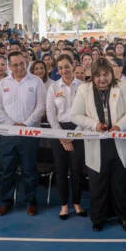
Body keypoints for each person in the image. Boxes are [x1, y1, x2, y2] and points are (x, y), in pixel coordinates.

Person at [72, 58, 126, 232]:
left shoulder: (122, 86)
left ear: (111, 74)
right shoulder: (83, 90)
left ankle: (124, 217)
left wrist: (119, 126)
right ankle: (98, 218)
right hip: (97, 143)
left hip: (119, 143)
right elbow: (75, 115)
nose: (102, 79)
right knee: (98, 185)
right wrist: (95, 125)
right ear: (92, 76)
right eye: (98, 75)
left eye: (106, 75)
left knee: (121, 184)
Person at [0, 52, 46, 216]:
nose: (19, 67)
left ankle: (31, 202)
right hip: (8, 135)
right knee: (7, 170)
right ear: (9, 66)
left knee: (29, 170)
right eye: (15, 65)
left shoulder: (36, 82)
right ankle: (5, 202)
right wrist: (11, 125)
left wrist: (26, 124)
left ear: (27, 62)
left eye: (21, 63)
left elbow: (41, 106)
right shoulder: (3, 83)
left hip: (29, 134)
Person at [46, 55, 86, 220]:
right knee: (61, 170)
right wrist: (63, 137)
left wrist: (73, 136)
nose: (64, 70)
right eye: (60, 67)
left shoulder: (83, 87)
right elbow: (51, 114)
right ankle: (64, 205)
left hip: (79, 130)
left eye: (66, 66)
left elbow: (87, 113)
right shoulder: (53, 87)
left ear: (73, 65)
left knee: (77, 170)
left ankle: (77, 203)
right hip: (59, 131)